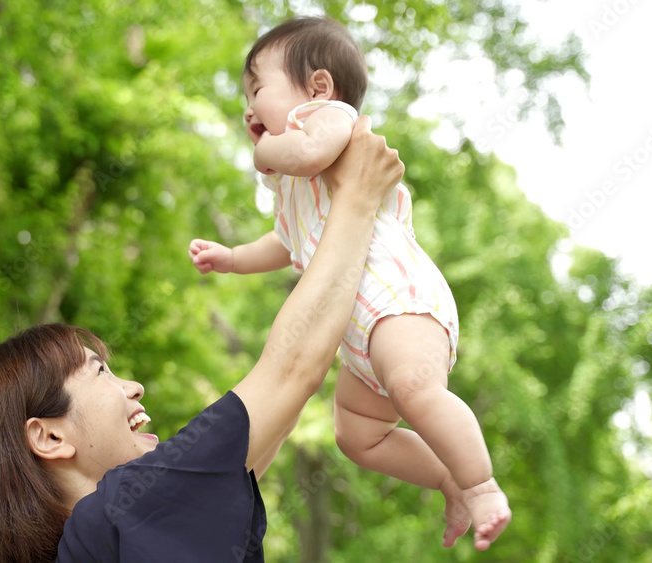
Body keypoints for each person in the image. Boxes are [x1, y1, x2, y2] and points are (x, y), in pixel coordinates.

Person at [0, 116, 404, 562]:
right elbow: (289, 372)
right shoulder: (119, 511)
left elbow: (269, 423)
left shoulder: (106, 540)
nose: (133, 386)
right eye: (99, 371)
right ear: (49, 435)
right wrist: (358, 196)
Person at [187, 16, 510, 551]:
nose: (249, 107)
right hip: (356, 336)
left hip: (398, 300)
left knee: (414, 389)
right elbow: (284, 243)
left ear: (316, 87)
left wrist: (264, 151)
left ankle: (481, 484)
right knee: (357, 436)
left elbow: (309, 152)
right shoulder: (293, 193)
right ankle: (448, 477)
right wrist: (233, 259)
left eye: (258, 87)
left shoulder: (331, 119)